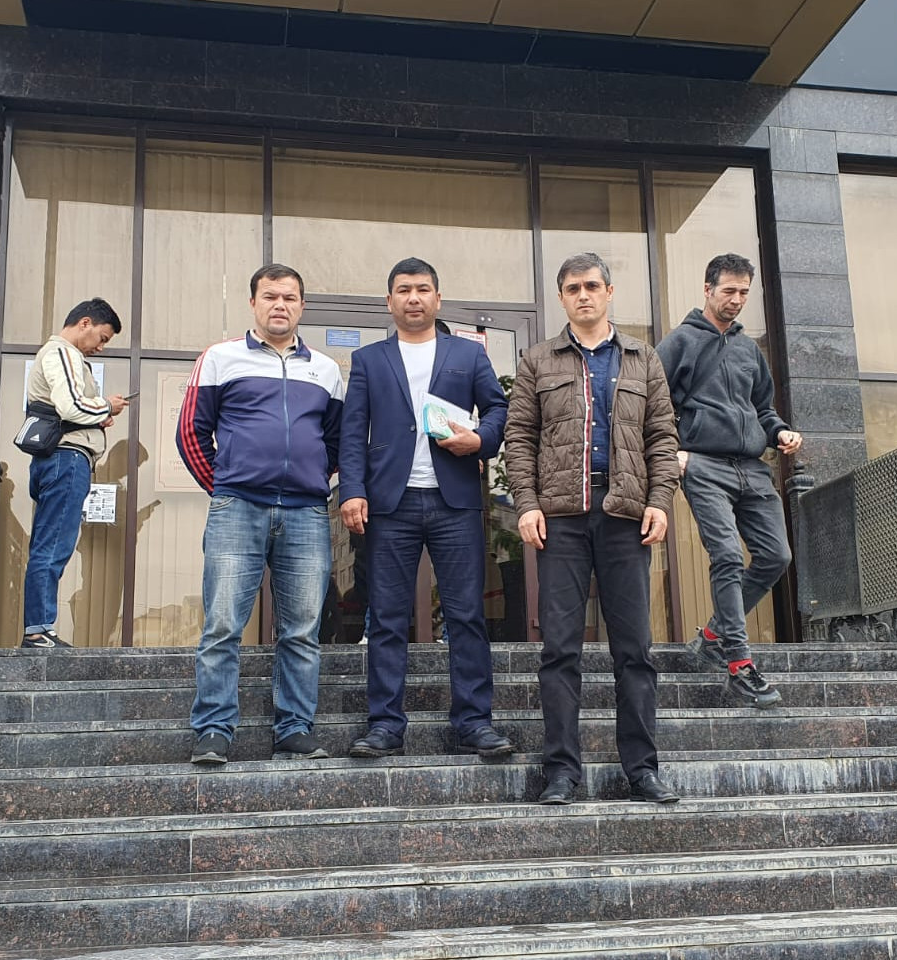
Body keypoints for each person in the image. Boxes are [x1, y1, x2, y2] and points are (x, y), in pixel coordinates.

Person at [505, 252, 681, 805]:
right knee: (560, 649)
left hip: (625, 514)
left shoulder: (643, 358)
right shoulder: (537, 360)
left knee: (635, 650)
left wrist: (660, 500)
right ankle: (561, 771)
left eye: (591, 286)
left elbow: (662, 437)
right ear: (561, 298)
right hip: (561, 518)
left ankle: (642, 771)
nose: (583, 295)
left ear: (608, 292)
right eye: (572, 288)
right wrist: (526, 504)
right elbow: (519, 438)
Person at [339, 257, 513, 759]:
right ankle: (384, 725)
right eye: (403, 290)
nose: (413, 298)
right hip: (389, 504)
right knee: (386, 617)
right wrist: (352, 491)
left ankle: (474, 722)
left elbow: (498, 408)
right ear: (389, 301)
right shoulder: (369, 360)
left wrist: (480, 439)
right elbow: (353, 431)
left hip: (453, 500)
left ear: (438, 298)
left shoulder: (468, 354)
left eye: (421, 289)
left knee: (466, 615)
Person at [176, 264, 345, 764]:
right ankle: (213, 729)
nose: (280, 305)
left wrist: (310, 479)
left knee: (302, 630)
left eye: (289, 298)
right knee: (222, 625)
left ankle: (294, 728)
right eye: (270, 296)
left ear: (302, 306)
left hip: (306, 513)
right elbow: (190, 433)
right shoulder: (220, 358)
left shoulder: (327, 370)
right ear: (253, 302)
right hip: (238, 509)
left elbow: (336, 443)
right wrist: (225, 486)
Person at [657, 252, 801, 709]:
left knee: (776, 555)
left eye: (743, 292)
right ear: (708, 289)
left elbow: (763, 408)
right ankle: (740, 664)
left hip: (752, 467)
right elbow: (652, 406)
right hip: (703, 465)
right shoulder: (679, 342)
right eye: (729, 291)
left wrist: (779, 432)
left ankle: (713, 636)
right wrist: (675, 452)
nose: (737, 300)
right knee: (726, 555)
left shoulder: (748, 349)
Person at [22, 298, 128, 649]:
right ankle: (38, 630)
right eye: (102, 337)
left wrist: (97, 417)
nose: (101, 346)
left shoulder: (57, 354)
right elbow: (71, 406)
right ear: (85, 323)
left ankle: (38, 628)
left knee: (48, 543)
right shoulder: (64, 353)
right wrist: (107, 405)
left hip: (56, 458)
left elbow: (66, 409)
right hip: (66, 459)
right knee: (53, 544)